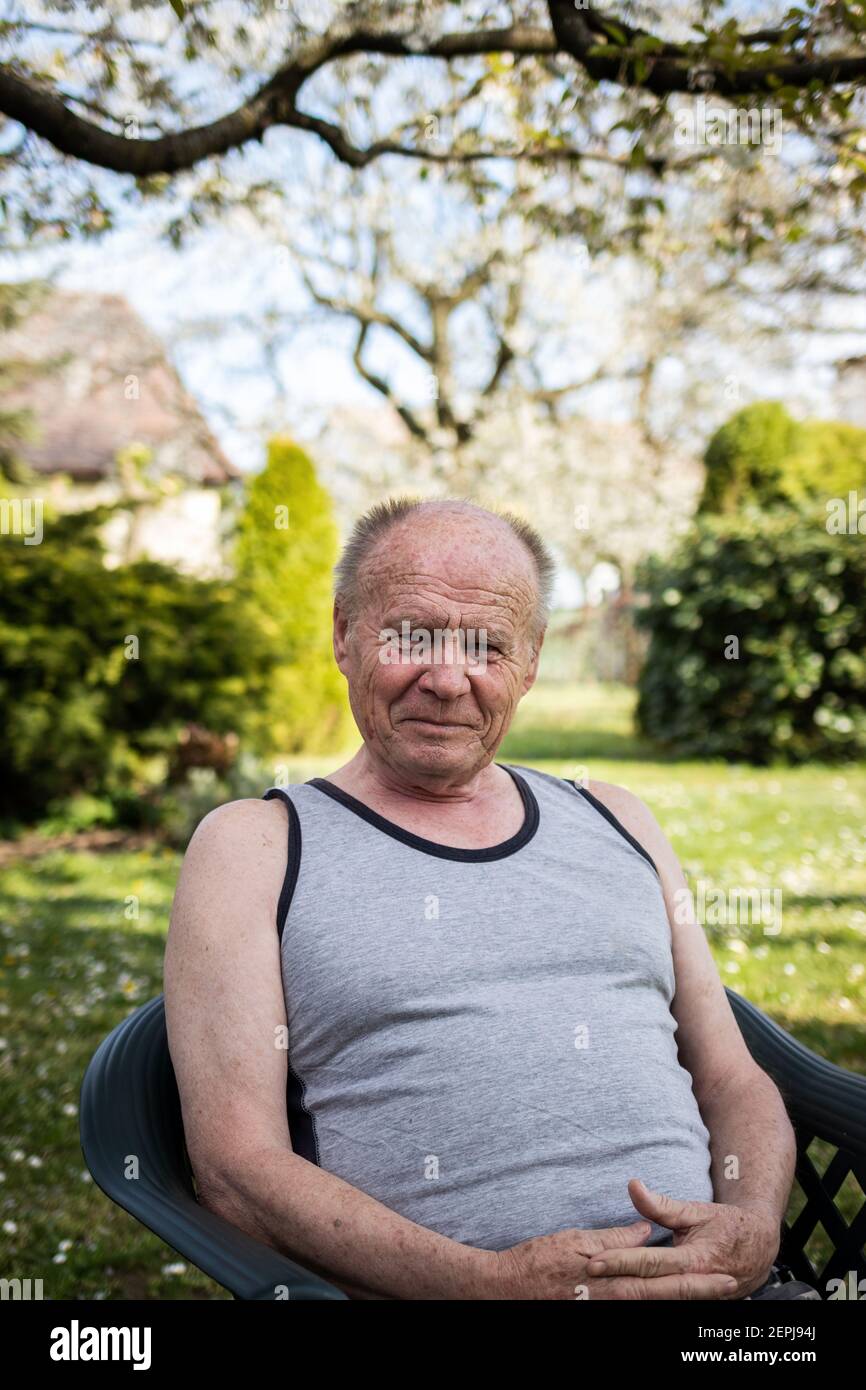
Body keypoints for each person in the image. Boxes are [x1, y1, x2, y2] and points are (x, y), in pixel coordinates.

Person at [164, 497, 818, 1301]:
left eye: (486, 646)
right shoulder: (254, 846)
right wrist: (486, 1284)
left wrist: (752, 1227)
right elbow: (236, 1168)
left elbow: (733, 1079)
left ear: (532, 661)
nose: (447, 679)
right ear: (343, 633)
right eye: (411, 635)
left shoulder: (618, 820)